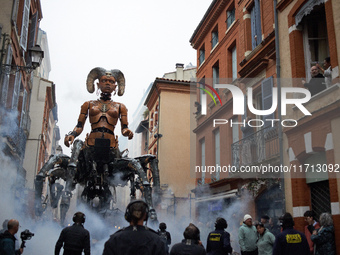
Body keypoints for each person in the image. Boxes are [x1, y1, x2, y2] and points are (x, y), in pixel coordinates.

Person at [64, 67, 133, 149]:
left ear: (115, 86)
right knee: (77, 146)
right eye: (104, 81)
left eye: (111, 81)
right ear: (98, 84)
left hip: (111, 145)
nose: (108, 83)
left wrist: (127, 132)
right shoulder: (88, 104)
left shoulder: (121, 107)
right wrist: (72, 134)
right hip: (91, 144)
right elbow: (79, 125)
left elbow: (124, 128)